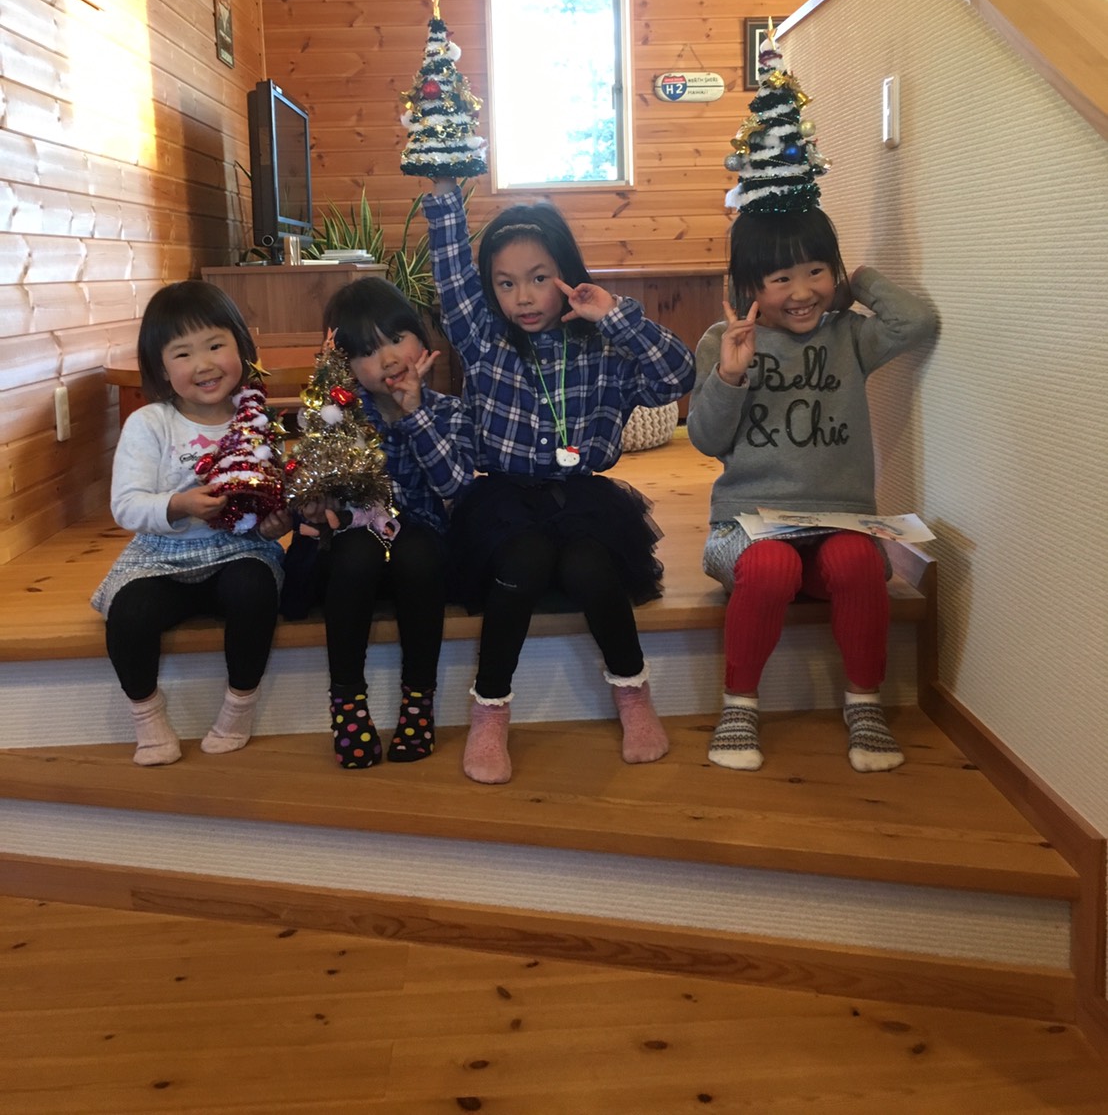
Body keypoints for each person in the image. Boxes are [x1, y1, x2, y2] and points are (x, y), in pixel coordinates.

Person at [423, 177, 696, 784]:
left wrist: (616, 316)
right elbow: (450, 274)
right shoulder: (484, 338)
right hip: (504, 497)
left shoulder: (603, 345)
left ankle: (634, 695)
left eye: (539, 277)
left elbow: (677, 376)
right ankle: (490, 709)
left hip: (583, 498)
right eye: (506, 283)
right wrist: (444, 190)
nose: (523, 296)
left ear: (566, 275)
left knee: (590, 568)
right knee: (523, 562)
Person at [688, 207, 936, 773]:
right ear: (749, 286)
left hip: (839, 522)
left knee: (858, 562)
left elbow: (916, 322)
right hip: (745, 525)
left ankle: (864, 704)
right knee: (771, 568)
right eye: (781, 279)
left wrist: (858, 281)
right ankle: (739, 706)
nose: (801, 292)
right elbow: (705, 438)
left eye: (817, 272)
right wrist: (730, 374)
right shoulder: (724, 340)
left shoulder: (848, 336)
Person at [92, 282, 289, 766]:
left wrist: (275, 525)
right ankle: (147, 717)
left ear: (241, 346)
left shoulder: (257, 420)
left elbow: (266, 509)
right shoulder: (150, 424)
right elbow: (126, 506)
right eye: (183, 353)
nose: (203, 365)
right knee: (129, 613)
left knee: (255, 589)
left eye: (215, 346)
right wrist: (178, 504)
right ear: (162, 368)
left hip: (239, 552)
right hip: (163, 561)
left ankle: (239, 706)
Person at [281, 278, 475, 769]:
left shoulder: (449, 412)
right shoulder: (339, 418)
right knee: (356, 551)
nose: (387, 359)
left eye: (397, 338)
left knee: (417, 550)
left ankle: (418, 703)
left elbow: (455, 487)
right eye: (367, 352)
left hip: (423, 555)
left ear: (422, 340)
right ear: (345, 367)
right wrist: (312, 504)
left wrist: (413, 416)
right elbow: (310, 489)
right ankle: (348, 705)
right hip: (355, 554)